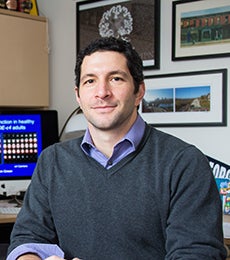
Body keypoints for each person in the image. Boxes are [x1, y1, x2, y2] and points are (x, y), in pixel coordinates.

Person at [7, 37, 227, 259]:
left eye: (116, 78)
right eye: (90, 81)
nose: (102, 92)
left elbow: (197, 254)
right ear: (78, 95)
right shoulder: (52, 160)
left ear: (139, 91)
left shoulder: (184, 163)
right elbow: (27, 239)